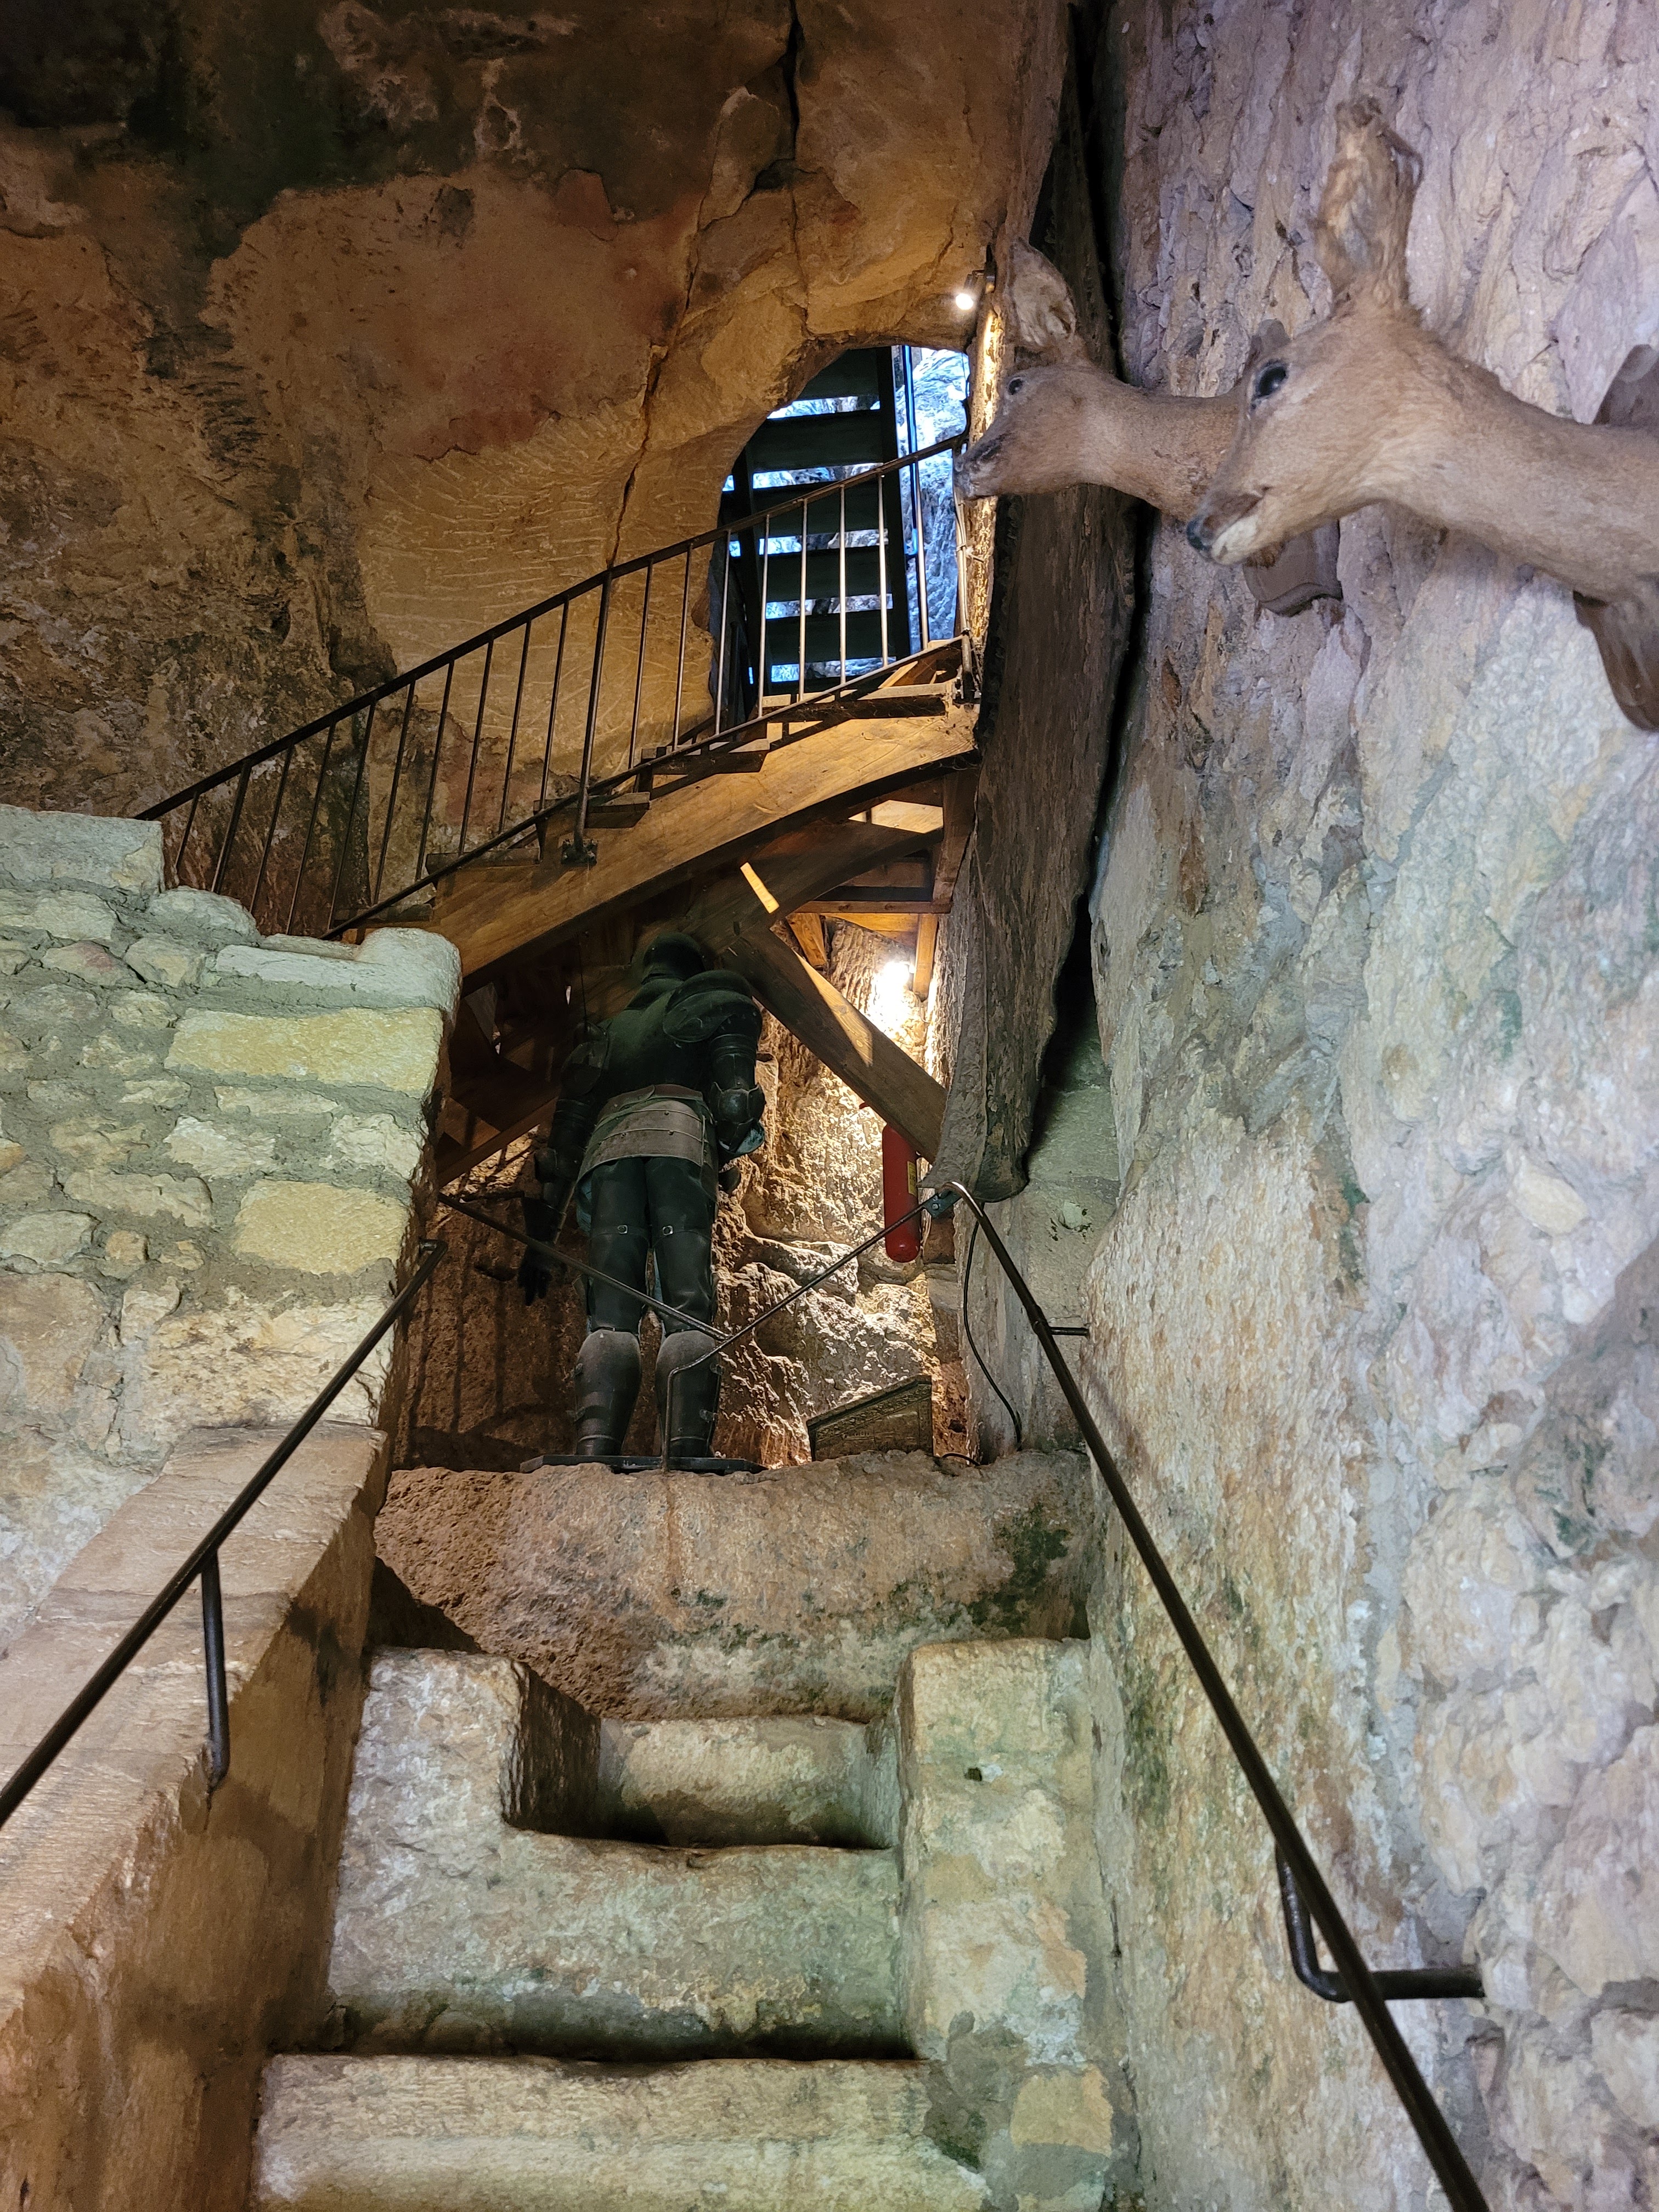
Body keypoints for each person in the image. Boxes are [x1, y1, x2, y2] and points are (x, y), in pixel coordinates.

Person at [518, 932, 764, 1462]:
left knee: (610, 1314)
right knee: (687, 1307)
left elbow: (561, 1153)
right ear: (693, 966)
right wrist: (730, 1146)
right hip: (680, 1141)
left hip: (608, 1153)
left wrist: (540, 1243)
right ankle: (687, 1446)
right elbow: (737, 1104)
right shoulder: (712, 997)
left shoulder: (604, 1034)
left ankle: (595, 1446)